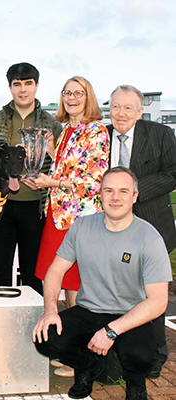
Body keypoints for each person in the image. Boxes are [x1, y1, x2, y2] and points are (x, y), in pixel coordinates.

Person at [33, 167, 172, 400]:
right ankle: (88, 366)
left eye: (123, 191)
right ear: (100, 194)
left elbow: (158, 302)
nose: (115, 197)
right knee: (46, 337)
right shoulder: (82, 227)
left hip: (130, 314)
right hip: (89, 310)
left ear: (135, 196)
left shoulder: (149, 238)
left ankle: (135, 383)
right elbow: (55, 271)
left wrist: (111, 331)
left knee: (142, 355)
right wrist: (50, 310)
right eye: (109, 190)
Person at [107, 84, 176, 378]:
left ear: (140, 110)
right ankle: (119, 352)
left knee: (151, 294)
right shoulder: (101, 136)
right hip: (110, 229)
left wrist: (132, 191)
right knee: (117, 292)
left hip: (151, 224)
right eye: (115, 107)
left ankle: (155, 356)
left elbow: (174, 173)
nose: (121, 114)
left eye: (128, 107)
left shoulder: (160, 134)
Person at [0, 62, 62, 295]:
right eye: (17, 84)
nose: (22, 89)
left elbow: (63, 167)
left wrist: (48, 164)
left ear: (36, 86)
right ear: (10, 88)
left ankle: (34, 328)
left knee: (34, 273)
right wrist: (7, 164)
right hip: (1, 205)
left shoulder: (52, 124)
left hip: (36, 206)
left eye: (28, 83)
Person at [31, 76, 109, 305]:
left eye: (78, 93)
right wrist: (49, 154)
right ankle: (59, 329)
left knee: (74, 283)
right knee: (55, 278)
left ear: (88, 98)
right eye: (67, 93)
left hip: (79, 220)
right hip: (57, 215)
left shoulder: (97, 131)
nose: (71, 98)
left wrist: (51, 183)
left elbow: (94, 182)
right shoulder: (66, 130)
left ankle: (75, 335)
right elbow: (69, 168)